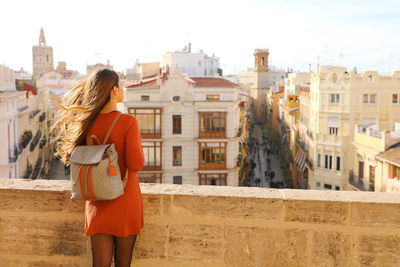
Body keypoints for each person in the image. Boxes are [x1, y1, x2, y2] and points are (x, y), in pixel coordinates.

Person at [53, 69, 144, 267]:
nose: (122, 89)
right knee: (123, 263)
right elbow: (136, 164)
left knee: (99, 264)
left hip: (96, 201)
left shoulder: (85, 123)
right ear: (113, 90)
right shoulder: (128, 122)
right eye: (120, 85)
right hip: (124, 199)